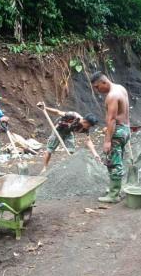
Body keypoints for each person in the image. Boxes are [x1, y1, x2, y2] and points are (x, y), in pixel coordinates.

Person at [91, 72, 130, 203]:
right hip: (125, 129)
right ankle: (117, 189)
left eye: (97, 87)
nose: (97, 90)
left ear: (104, 82)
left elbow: (112, 119)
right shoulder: (121, 88)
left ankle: (113, 195)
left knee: (113, 163)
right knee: (118, 160)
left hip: (117, 131)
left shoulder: (112, 96)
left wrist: (107, 140)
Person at [37, 102, 100, 174]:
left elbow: (88, 141)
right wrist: (45, 108)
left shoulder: (85, 128)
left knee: (71, 152)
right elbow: (57, 112)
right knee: (49, 150)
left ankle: (69, 168)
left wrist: (95, 154)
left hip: (68, 133)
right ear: (85, 121)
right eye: (89, 126)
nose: (89, 128)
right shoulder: (73, 116)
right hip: (58, 130)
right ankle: (44, 168)